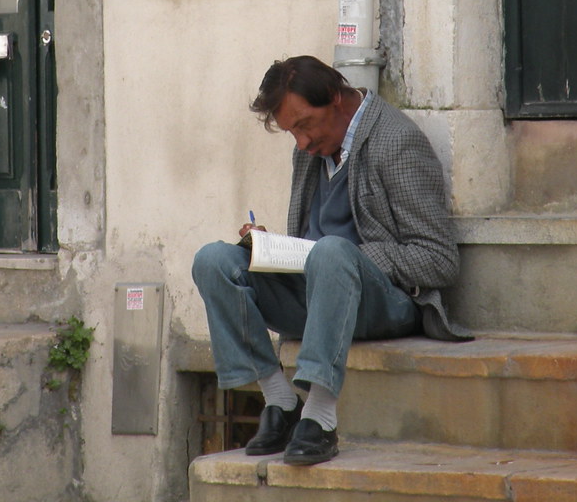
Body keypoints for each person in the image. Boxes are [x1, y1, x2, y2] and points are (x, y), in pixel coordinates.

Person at [192, 55, 466, 466]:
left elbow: (439, 260)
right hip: (318, 289)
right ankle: (281, 402)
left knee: (334, 252)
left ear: (337, 99)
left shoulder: (396, 143)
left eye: (303, 125)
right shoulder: (310, 152)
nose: (301, 142)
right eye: (291, 133)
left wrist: (345, 255)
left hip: (383, 302)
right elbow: (310, 243)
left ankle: (319, 417)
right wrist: (270, 250)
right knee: (213, 260)